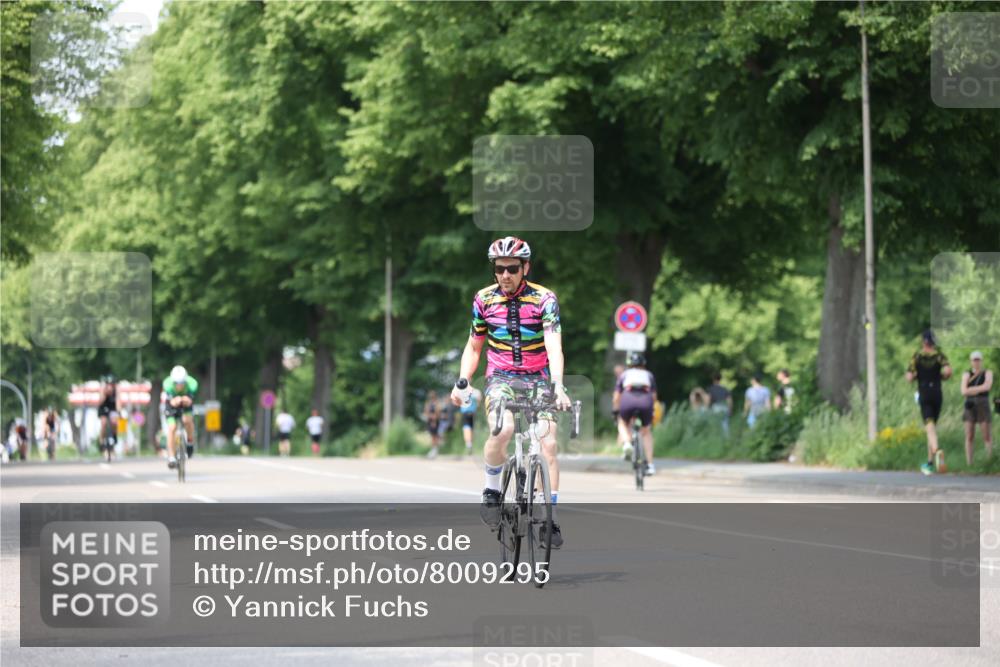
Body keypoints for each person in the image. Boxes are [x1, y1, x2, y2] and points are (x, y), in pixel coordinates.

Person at [450, 236, 571, 549]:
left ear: (525, 267)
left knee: (549, 442)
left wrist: (557, 385)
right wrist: (463, 380)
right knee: (503, 430)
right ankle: (491, 491)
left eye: (512, 268)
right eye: (499, 268)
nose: (505, 275)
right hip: (501, 377)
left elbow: (553, 344)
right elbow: (474, 346)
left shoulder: (545, 299)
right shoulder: (483, 300)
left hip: (539, 378)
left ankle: (549, 518)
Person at [906, 330, 952, 475]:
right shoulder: (939, 356)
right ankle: (930, 463)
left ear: (923, 342)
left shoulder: (917, 357)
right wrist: (941, 376)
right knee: (931, 429)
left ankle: (937, 451)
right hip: (937, 393)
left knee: (929, 425)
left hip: (924, 392)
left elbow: (908, 377)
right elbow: (948, 371)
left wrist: (915, 376)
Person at [614, 352, 658, 475]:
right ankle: (650, 465)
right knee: (646, 431)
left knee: (622, 422)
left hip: (628, 400)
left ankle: (627, 443)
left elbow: (617, 396)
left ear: (629, 364)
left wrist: (616, 409)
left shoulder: (624, 374)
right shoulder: (648, 375)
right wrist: (651, 408)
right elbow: (654, 396)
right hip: (645, 400)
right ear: (643, 364)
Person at [960, 351, 993, 465]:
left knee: (986, 434)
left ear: (981, 360)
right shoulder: (967, 374)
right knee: (969, 434)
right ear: (971, 361)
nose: (976, 362)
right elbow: (963, 391)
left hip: (983, 403)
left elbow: (987, 386)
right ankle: (969, 462)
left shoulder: (987, 373)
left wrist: (971, 390)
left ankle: (989, 461)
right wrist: (980, 388)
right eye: (974, 360)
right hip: (970, 405)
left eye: (978, 359)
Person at [163, 365, 198, 470]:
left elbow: (190, 400)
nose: (179, 386)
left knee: (187, 420)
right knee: (172, 428)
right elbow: (171, 401)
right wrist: (176, 400)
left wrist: (185, 399)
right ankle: (172, 456)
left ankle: (190, 442)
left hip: (186, 403)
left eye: (182, 383)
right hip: (172, 403)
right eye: (177, 383)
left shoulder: (192, 384)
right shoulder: (167, 384)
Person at [97, 374, 121, 458]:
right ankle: (101, 441)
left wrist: (118, 412)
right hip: (103, 407)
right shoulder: (103, 388)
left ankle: (114, 436)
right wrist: (105, 393)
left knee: (114, 422)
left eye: (112, 384)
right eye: (109, 384)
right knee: (103, 423)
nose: (110, 386)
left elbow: (118, 401)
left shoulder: (117, 389)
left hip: (112, 407)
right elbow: (100, 402)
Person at [459, 386, 483, 456]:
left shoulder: (460, 391)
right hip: (473, 413)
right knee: (471, 428)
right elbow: (479, 400)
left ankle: (469, 444)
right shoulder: (476, 391)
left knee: (466, 428)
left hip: (465, 412)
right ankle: (470, 444)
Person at [707, 372, 733, 437]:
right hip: (724, 407)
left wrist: (708, 408)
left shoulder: (711, 389)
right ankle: (727, 440)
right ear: (720, 379)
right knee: (725, 425)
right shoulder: (724, 389)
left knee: (715, 425)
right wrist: (730, 410)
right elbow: (730, 400)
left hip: (716, 407)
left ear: (713, 379)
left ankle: (716, 439)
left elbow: (708, 400)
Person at [423, 392, 442, 459]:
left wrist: (434, 420)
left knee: (435, 436)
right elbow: (426, 412)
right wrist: (430, 416)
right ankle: (434, 450)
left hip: (435, 422)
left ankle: (435, 450)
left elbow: (438, 413)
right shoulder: (428, 404)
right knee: (433, 436)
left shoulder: (437, 403)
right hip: (430, 421)